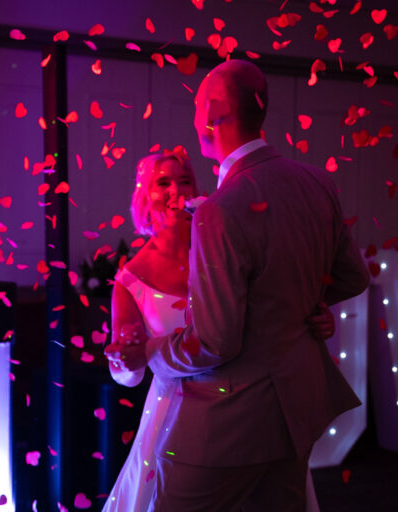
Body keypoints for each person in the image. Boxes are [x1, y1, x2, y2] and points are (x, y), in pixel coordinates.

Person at [109, 60, 370, 511]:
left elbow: (215, 342)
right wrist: (306, 305)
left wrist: (149, 351)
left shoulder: (219, 209)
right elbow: (351, 276)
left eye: (195, 106)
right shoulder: (316, 182)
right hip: (296, 408)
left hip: (226, 418)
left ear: (211, 113)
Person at [103, 147, 337, 512]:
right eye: (162, 182)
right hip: (177, 416)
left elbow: (272, 313)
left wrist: (317, 319)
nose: (175, 191)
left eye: (185, 181)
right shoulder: (130, 279)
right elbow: (128, 372)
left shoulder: (227, 246)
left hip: (252, 402)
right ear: (143, 196)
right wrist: (123, 359)